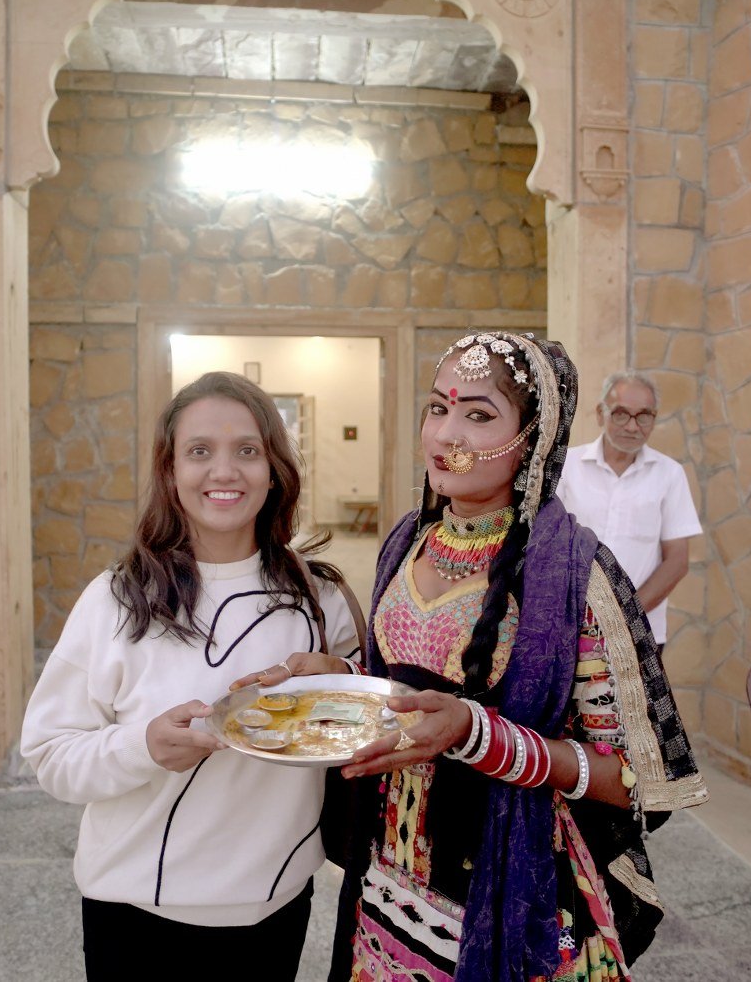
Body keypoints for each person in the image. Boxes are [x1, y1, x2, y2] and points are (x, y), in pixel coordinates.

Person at [248, 333, 706, 981]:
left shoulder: (575, 574)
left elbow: (627, 777)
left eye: (479, 415)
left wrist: (474, 734)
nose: (445, 434)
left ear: (536, 439)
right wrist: (341, 676)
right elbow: (404, 689)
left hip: (511, 889)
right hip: (390, 881)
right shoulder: (408, 541)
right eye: (437, 408)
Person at [20, 371, 362, 981]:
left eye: (248, 451)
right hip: (136, 912)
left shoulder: (321, 597)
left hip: (277, 903)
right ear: (170, 470)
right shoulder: (116, 600)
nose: (224, 472)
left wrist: (341, 677)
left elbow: (361, 716)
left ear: (276, 469)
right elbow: (50, 754)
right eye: (199, 451)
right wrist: (143, 745)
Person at [557, 372, 702, 661]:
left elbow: (677, 561)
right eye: (621, 414)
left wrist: (624, 615)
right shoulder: (566, 467)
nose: (633, 426)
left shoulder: (669, 474)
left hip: (640, 630)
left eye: (644, 416)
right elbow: (547, 544)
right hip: (569, 626)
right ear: (601, 414)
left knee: (638, 707)